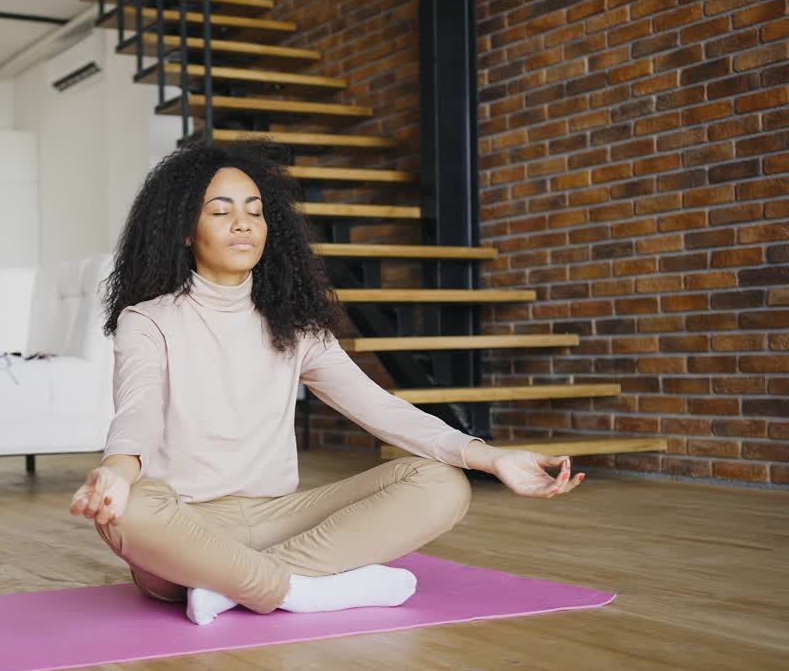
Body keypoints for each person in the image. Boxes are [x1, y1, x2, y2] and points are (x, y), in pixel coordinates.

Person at [69, 141, 584, 626]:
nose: (243, 224)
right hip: (186, 527)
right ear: (185, 229)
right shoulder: (149, 320)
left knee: (442, 482)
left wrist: (491, 458)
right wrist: (116, 472)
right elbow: (136, 409)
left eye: (254, 210)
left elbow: (381, 409)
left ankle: (238, 586)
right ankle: (303, 590)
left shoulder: (295, 324)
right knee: (129, 510)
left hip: (279, 520)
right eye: (221, 211)